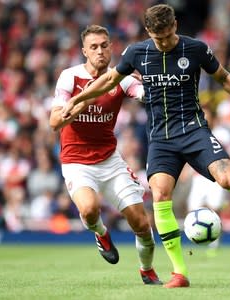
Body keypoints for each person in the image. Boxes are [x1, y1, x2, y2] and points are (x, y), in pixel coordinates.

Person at [61, 4, 230, 288]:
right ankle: (179, 272)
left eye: (167, 35)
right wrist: (77, 100)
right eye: (157, 37)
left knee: (228, 179)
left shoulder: (196, 49)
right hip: (161, 139)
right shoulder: (137, 52)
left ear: (175, 25)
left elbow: (222, 77)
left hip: (194, 131)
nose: (163, 42)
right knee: (160, 196)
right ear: (149, 31)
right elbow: (110, 80)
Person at [49, 24, 161, 285]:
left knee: (142, 224)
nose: (100, 51)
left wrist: (154, 85)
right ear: (84, 52)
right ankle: (101, 233)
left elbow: (143, 94)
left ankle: (147, 270)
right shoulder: (70, 77)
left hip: (109, 160)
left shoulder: (121, 79)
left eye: (104, 45)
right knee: (89, 210)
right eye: (94, 47)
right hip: (76, 161)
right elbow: (55, 122)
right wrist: (84, 100)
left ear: (111, 47)